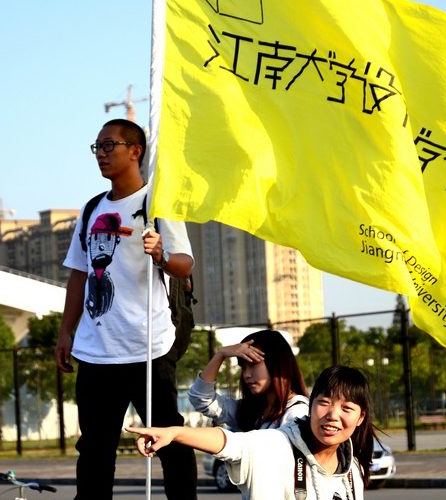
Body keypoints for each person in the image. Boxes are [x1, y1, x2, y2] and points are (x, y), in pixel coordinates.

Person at [55, 118, 197, 500]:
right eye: (97, 147)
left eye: (109, 145)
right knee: (94, 450)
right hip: (97, 351)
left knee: (170, 443)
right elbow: (79, 275)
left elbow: (185, 264)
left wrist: (161, 254)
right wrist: (66, 332)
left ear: (135, 151)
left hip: (147, 348)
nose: (100, 154)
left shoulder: (157, 204)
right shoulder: (91, 209)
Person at [128, 365, 376, 500]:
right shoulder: (277, 445)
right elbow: (231, 443)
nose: (332, 415)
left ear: (361, 417)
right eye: (324, 402)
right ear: (310, 405)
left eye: (346, 408)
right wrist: (174, 433)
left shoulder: (352, 470)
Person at [188, 329, 309, 431]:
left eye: (253, 365)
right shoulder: (250, 410)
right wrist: (220, 354)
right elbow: (201, 398)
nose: (246, 375)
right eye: (243, 367)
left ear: (276, 364)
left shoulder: (297, 412)